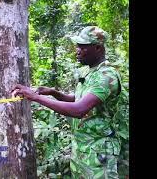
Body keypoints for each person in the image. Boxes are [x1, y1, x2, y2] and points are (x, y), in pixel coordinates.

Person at [12, 26, 122, 179]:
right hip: (82, 148)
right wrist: (53, 92)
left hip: (99, 150)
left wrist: (35, 97)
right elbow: (78, 99)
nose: (77, 50)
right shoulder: (89, 72)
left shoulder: (106, 76)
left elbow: (79, 109)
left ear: (97, 48)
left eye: (82, 47)